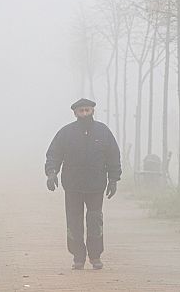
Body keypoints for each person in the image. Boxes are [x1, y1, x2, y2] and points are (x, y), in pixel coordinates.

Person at [44, 98, 121, 270]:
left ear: (93, 111)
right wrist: (51, 173)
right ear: (75, 113)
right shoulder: (65, 133)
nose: (84, 113)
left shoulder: (103, 132)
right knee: (73, 221)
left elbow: (113, 156)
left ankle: (95, 256)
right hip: (72, 185)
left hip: (96, 185)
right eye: (81, 111)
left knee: (95, 220)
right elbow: (54, 155)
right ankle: (78, 256)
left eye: (87, 110)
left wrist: (114, 179)